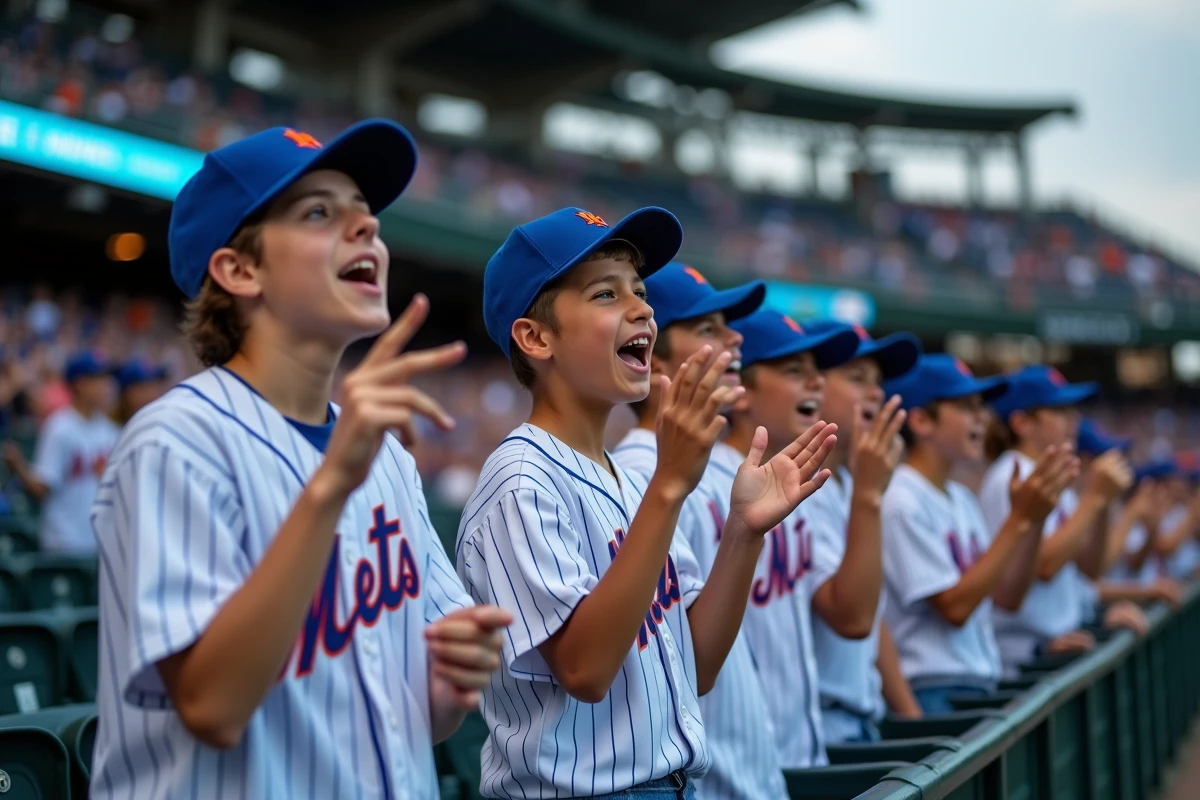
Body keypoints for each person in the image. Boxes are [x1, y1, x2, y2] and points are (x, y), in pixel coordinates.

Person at [88, 121, 511, 799]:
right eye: (320, 212)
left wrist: (454, 677)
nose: (365, 228)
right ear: (239, 268)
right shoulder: (175, 439)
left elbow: (426, 717)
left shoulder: (387, 460)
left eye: (366, 216)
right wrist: (332, 484)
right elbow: (211, 705)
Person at [456, 208, 837, 799]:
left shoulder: (628, 479)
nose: (642, 308)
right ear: (536, 337)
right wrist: (669, 485)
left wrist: (743, 533)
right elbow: (585, 670)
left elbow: (699, 666)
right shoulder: (520, 479)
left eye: (640, 291)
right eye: (606, 294)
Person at [611, 262, 789, 800]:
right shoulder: (644, 470)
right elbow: (688, 662)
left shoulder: (713, 466)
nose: (735, 337)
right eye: (707, 329)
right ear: (655, 354)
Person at [880, 356, 1077, 714]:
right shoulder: (901, 499)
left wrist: (1033, 522)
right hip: (933, 687)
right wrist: (1019, 519)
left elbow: (1008, 597)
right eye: (966, 407)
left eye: (981, 407)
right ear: (922, 421)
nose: (982, 417)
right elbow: (955, 608)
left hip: (975, 679)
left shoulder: (962, 498)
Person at [721, 308, 862, 768]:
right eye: (793, 370)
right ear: (741, 391)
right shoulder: (708, 485)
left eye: (817, 372)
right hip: (742, 763)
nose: (815, 383)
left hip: (801, 749)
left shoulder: (793, 484)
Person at [797, 320, 924, 743]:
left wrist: (909, 715)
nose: (876, 393)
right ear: (813, 388)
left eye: (878, 382)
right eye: (857, 378)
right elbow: (852, 616)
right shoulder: (798, 487)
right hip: (821, 730)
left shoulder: (846, 482)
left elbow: (873, 619)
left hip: (860, 720)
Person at [980, 366, 1136, 672]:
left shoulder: (1053, 474)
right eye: (1059, 411)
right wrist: (1093, 498)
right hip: (1026, 655)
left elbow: (1091, 568)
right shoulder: (1011, 475)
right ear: (1022, 422)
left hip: (1061, 643)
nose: (1073, 420)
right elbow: (1044, 565)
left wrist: (1101, 502)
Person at [3, 351, 119, 555]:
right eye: (98, 379)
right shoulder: (59, 427)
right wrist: (19, 468)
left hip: (100, 541)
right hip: (63, 540)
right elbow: (42, 489)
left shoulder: (111, 430)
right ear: (80, 384)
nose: (105, 385)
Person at [114, 359, 170, 424]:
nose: (153, 394)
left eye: (155, 387)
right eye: (146, 389)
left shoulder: (158, 421)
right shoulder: (108, 429)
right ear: (128, 393)